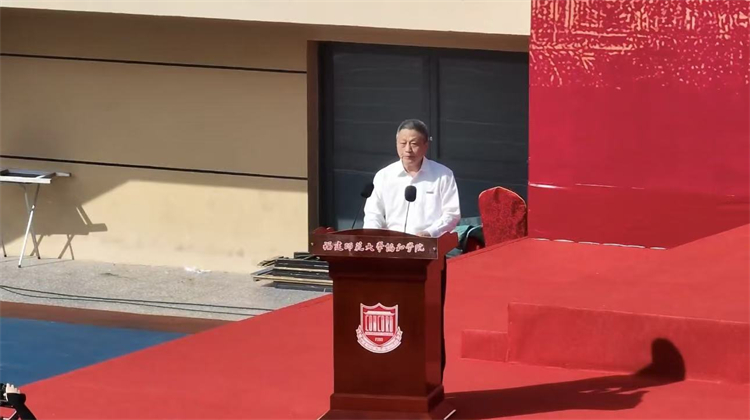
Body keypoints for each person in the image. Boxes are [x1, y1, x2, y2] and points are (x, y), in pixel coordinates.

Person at [362, 118, 460, 380]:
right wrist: (374, 239)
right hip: (390, 259)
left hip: (428, 259)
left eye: (414, 143)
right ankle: (392, 376)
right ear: (396, 144)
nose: (408, 149)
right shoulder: (384, 176)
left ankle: (431, 380)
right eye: (403, 143)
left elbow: (452, 215)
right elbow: (373, 214)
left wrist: (430, 233)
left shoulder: (442, 175)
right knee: (394, 317)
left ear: (426, 145)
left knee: (427, 320)